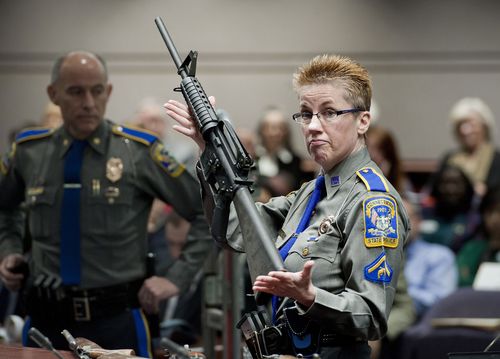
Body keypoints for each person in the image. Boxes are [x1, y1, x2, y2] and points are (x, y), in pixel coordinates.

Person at [165, 54, 410, 358]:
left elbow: (371, 316)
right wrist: (209, 151)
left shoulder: (373, 202)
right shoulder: (310, 193)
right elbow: (234, 229)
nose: (313, 126)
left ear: (363, 121)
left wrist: (310, 296)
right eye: (306, 114)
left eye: (330, 112)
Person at [0, 51, 211, 357]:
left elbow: (204, 210)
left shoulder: (138, 153)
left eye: (97, 91)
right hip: (45, 319)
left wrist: (176, 278)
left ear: (108, 92)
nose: (88, 102)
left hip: (118, 321)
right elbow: (5, 208)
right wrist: (9, 252)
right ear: (54, 94)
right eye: (76, 92)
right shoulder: (29, 152)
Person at [403, 197, 457, 318]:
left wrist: (395, 295)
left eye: (402, 218)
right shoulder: (375, 257)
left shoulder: (438, 255)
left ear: (418, 221)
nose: (397, 225)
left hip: (422, 326)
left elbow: (441, 302)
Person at [438, 97, 500, 197]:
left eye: (471, 124)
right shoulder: (449, 159)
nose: (465, 130)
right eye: (460, 125)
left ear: (484, 126)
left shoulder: (496, 159)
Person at [420, 164, 479, 253]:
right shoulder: (423, 215)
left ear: (466, 186)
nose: (450, 189)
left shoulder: (474, 219)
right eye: (445, 183)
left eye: (456, 183)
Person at [456, 185, 500, 287]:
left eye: (499, 211)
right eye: (489, 212)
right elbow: (463, 281)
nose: (494, 219)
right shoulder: (471, 249)